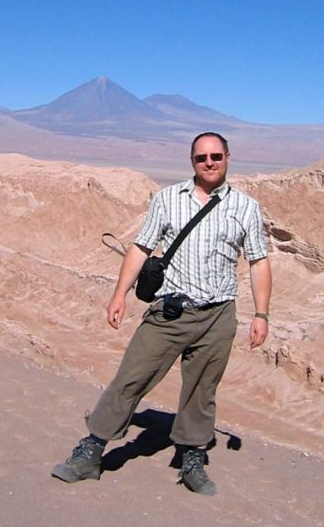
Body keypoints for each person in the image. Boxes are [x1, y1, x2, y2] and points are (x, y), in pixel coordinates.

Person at [52, 131, 272, 495]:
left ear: (229, 157)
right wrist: (119, 293)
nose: (210, 162)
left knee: (202, 390)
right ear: (192, 161)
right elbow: (141, 247)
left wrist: (261, 315)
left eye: (216, 156)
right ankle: (91, 450)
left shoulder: (246, 207)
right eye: (202, 157)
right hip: (171, 312)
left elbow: (258, 261)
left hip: (218, 316)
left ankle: (192, 458)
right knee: (131, 379)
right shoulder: (168, 199)